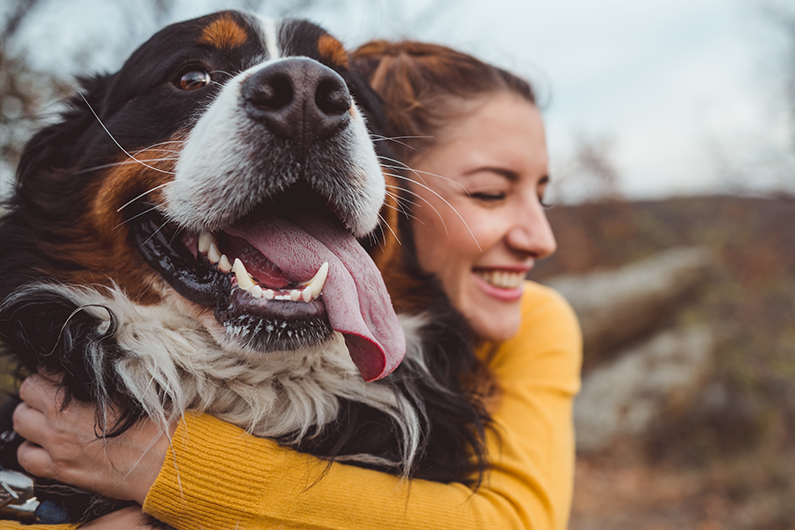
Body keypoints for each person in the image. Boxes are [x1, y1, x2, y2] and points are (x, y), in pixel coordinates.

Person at [4, 41, 582, 530]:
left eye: (543, 194)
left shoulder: (538, 319)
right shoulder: (43, 422)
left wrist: (161, 466)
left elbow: (512, 518)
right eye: (489, 193)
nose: (542, 238)